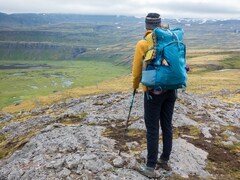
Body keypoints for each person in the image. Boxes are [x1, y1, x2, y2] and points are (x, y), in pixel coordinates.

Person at [132, 13, 177, 178]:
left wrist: (135, 86)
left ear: (146, 25)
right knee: (167, 125)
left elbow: (137, 70)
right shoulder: (170, 39)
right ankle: (164, 159)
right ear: (159, 24)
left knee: (152, 129)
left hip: (152, 92)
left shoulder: (143, 43)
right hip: (171, 90)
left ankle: (150, 167)